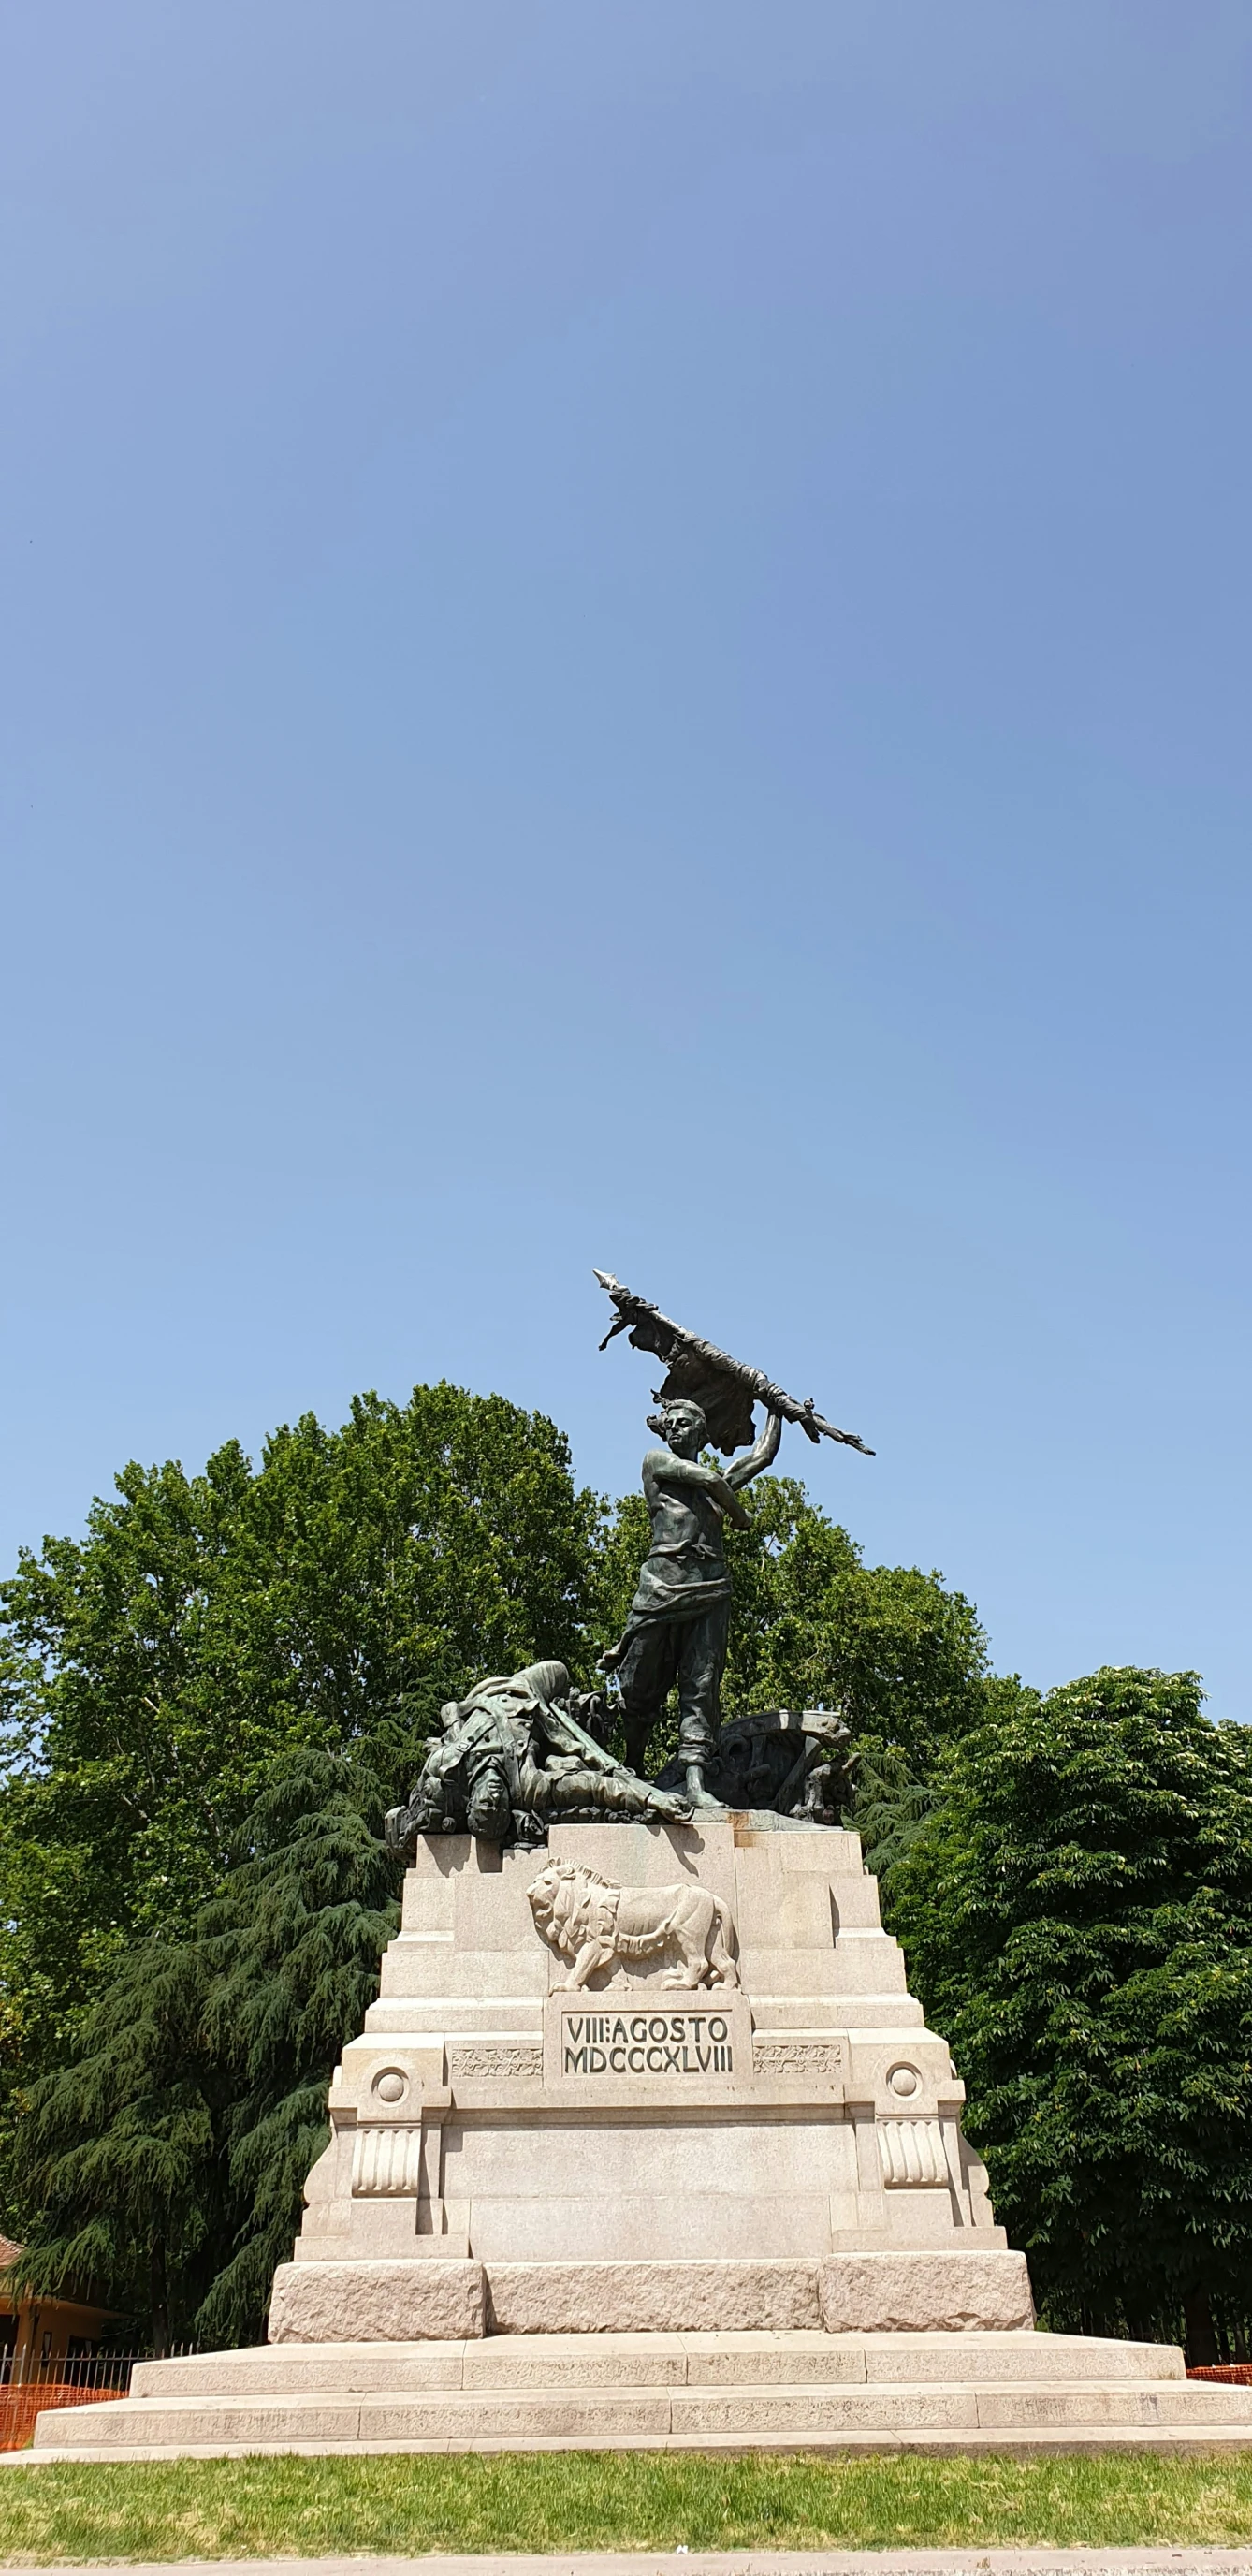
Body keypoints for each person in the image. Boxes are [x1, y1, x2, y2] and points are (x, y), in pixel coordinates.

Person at [600, 1398, 781, 1808]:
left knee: (701, 1684)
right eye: (672, 1424)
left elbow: (762, 1456)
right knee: (639, 1682)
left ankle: (695, 1781)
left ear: (703, 1433)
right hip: (662, 1585)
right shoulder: (657, 1462)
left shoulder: (715, 1483)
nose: (676, 1429)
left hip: (711, 1586)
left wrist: (776, 1407)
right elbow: (712, 1482)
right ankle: (632, 1765)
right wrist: (740, 1517)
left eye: (686, 1424)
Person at [389, 1660, 692, 1848]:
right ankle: (574, 1715)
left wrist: (455, 1727)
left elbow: (448, 1710)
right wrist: (654, 1798)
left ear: (470, 1806)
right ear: (508, 1807)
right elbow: (598, 1787)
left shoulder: (450, 1766)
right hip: (529, 1695)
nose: (494, 1798)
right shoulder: (528, 1787)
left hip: (490, 1690)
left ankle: (573, 1713)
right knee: (559, 1672)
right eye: (498, 1808)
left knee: (560, 1671)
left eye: (485, 1805)